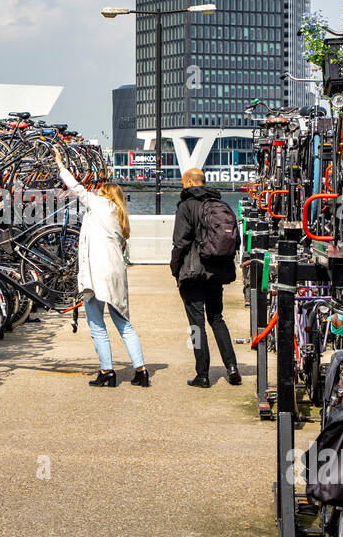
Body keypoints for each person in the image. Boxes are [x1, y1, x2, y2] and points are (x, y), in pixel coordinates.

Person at [54, 148, 150, 387]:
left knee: (97, 324)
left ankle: (107, 372)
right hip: (116, 274)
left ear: (106, 194)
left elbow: (76, 189)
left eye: (100, 189)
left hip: (96, 274)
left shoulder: (100, 205)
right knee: (124, 323)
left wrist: (61, 166)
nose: (96, 191)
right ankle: (141, 370)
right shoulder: (119, 216)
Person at [170, 168, 241, 388]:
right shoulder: (221, 205)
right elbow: (235, 242)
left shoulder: (186, 206)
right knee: (217, 318)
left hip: (192, 272)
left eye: (184, 182)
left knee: (196, 325)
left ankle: (202, 374)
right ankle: (232, 367)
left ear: (190, 182)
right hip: (216, 272)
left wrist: (175, 267)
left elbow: (180, 242)